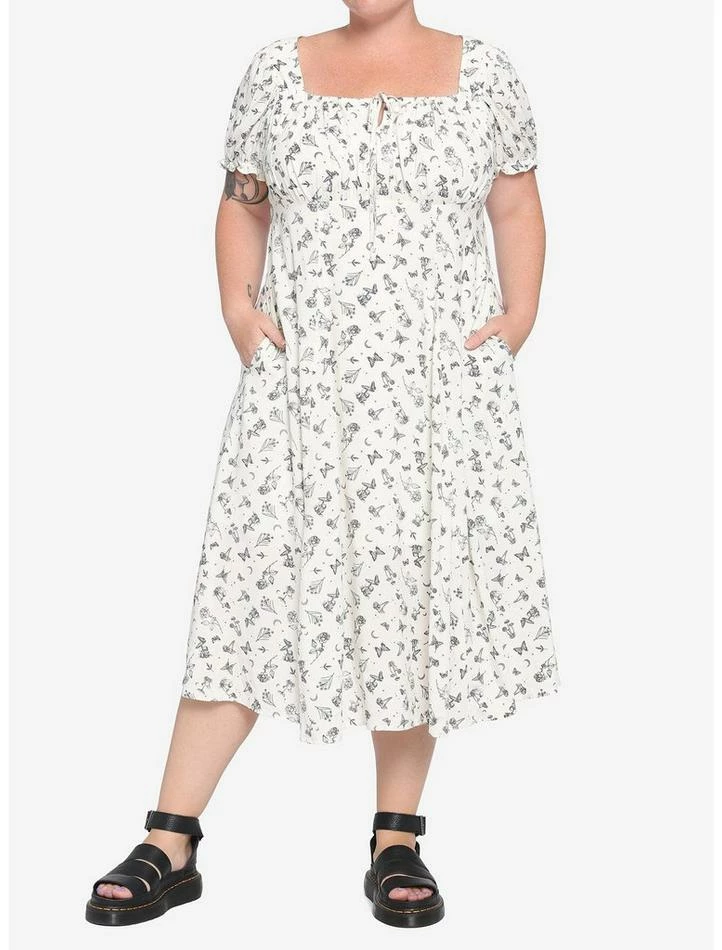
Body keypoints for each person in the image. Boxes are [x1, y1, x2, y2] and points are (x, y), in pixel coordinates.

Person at [85, 2, 560, 930]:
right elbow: (244, 200)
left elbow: (514, 203)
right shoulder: (274, 70)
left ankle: (396, 838)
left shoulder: (487, 72)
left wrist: (518, 318)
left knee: (413, 590)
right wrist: (239, 309)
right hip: (304, 381)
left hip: (435, 388)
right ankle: (170, 838)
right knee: (248, 583)